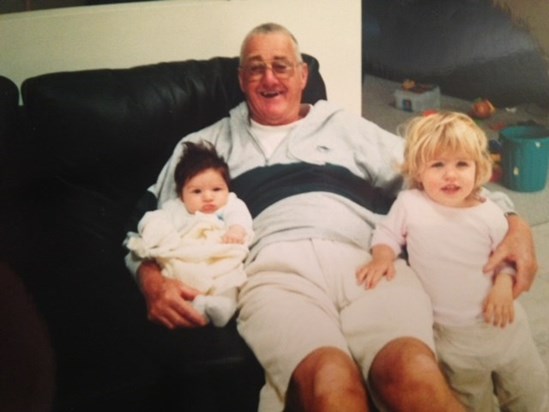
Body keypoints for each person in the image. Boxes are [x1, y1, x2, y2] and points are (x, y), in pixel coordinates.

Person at [125, 22, 538, 412]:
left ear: (303, 75)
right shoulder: (205, 144)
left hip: (367, 260)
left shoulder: (343, 126)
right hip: (275, 272)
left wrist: (513, 222)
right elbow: (146, 222)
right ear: (241, 80)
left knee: (413, 373)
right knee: (330, 382)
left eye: (281, 66)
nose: (270, 79)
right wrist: (151, 281)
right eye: (256, 69)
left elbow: (436, 172)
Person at [356, 111, 548, 411]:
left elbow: (508, 255)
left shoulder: (487, 212)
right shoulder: (410, 204)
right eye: (438, 165)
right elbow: (387, 232)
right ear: (418, 171)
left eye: (462, 164)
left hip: (502, 325)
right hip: (450, 335)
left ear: (478, 168)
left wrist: (503, 283)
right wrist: (382, 255)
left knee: (527, 389)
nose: (451, 174)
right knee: (469, 397)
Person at [125, 141, 253, 327]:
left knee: (230, 281)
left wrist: (236, 229)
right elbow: (153, 219)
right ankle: (194, 304)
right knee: (175, 272)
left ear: (227, 188)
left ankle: (221, 307)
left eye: (217, 189)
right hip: (187, 257)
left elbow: (240, 217)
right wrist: (159, 234)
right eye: (196, 191)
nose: (208, 197)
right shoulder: (176, 208)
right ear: (181, 194)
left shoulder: (230, 204)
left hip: (220, 257)